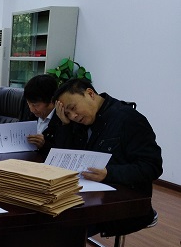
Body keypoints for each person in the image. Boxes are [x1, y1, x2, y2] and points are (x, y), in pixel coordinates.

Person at [53, 78, 162, 233]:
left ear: (90, 94)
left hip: (121, 202)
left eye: (73, 108)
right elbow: (64, 158)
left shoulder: (128, 119)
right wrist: (65, 125)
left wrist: (109, 173)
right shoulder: (77, 124)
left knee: (61, 226)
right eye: (67, 114)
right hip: (86, 195)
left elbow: (152, 166)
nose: (73, 116)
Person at [22, 74, 61, 154]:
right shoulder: (29, 112)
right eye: (29, 103)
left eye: (36, 105)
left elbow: (62, 152)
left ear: (52, 100)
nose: (32, 109)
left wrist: (44, 145)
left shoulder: (61, 120)